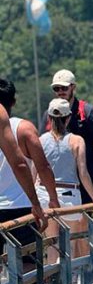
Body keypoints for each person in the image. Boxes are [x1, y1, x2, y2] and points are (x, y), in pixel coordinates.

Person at [38, 98, 93, 262]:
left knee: (52, 243)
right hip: (69, 193)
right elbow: (83, 174)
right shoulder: (76, 141)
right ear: (69, 117)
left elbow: (35, 172)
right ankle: (71, 280)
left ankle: (53, 283)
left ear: (49, 117)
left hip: (45, 194)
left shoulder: (41, 140)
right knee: (70, 242)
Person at [0, 84, 49, 271]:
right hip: (18, 206)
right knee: (28, 263)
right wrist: (36, 203)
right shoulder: (20, 126)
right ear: (13, 101)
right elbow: (21, 165)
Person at [41, 69, 93, 205]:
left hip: (85, 178)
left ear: (73, 87)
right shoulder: (49, 114)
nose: (60, 91)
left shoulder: (87, 112)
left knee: (84, 222)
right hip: (58, 180)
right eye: (56, 88)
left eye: (64, 87)